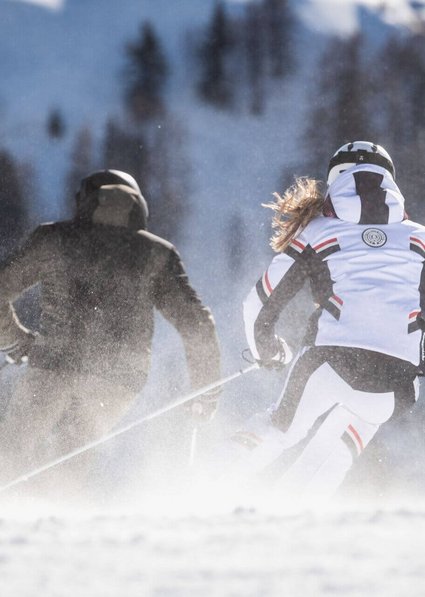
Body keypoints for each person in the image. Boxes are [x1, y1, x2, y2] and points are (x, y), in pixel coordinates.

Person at [225, 141, 425, 503]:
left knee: (280, 429)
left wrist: (266, 350)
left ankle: (203, 489)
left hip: (331, 362)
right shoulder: (420, 237)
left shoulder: (317, 231)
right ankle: (295, 521)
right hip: (399, 384)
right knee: (344, 438)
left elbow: (257, 302)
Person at [0, 169, 221, 496]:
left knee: (14, 448)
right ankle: (57, 517)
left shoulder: (54, 239)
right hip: (120, 377)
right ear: (139, 206)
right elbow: (197, 324)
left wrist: (16, 339)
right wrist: (206, 389)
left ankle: (14, 515)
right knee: (74, 450)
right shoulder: (157, 253)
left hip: (52, 364)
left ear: (83, 201)